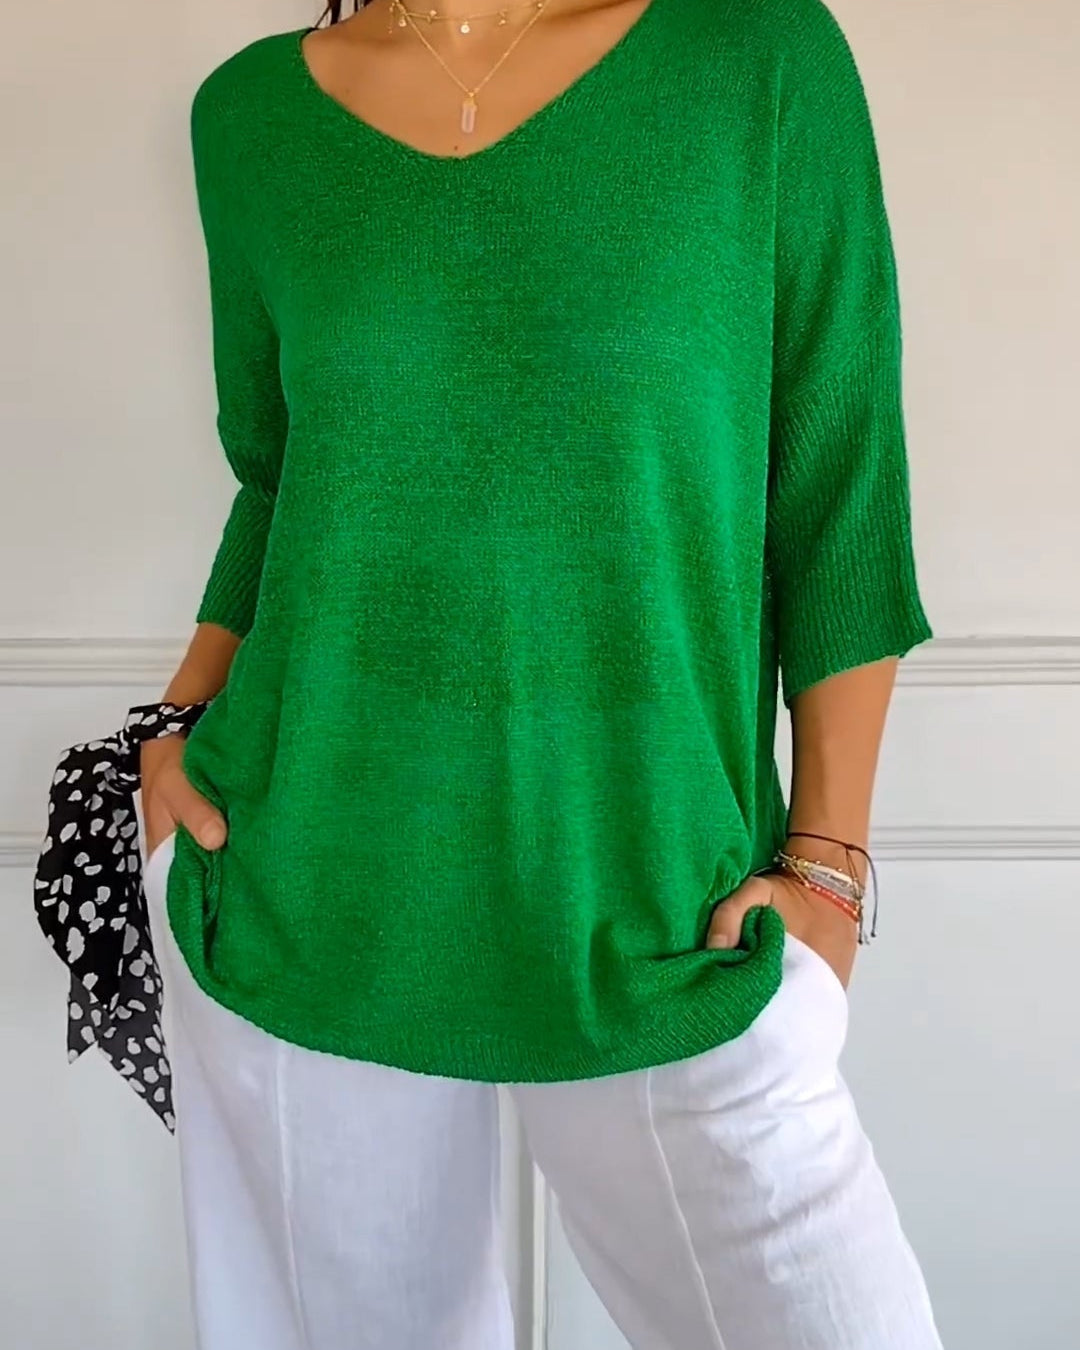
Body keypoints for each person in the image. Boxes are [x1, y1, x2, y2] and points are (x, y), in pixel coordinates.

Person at [125, 0, 944, 1344]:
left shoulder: (758, 60)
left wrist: (830, 860)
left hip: (673, 914)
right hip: (307, 888)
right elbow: (280, 479)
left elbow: (839, 485)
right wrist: (172, 725)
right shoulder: (251, 116)